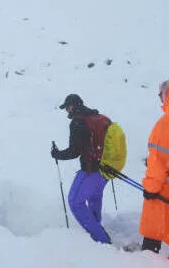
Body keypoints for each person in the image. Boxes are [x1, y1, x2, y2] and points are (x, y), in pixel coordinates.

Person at [51, 94, 111, 244]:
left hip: (91, 170)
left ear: (72, 106)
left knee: (75, 201)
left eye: (67, 107)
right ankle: (96, 228)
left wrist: (57, 154)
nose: (67, 111)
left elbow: (74, 151)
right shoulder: (98, 117)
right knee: (94, 197)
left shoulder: (78, 122)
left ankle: (100, 239)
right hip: (106, 170)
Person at [140, 79, 169, 255]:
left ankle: (149, 259)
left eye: (161, 95)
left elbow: (158, 161)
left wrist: (150, 188)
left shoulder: (167, 123)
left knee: (154, 226)